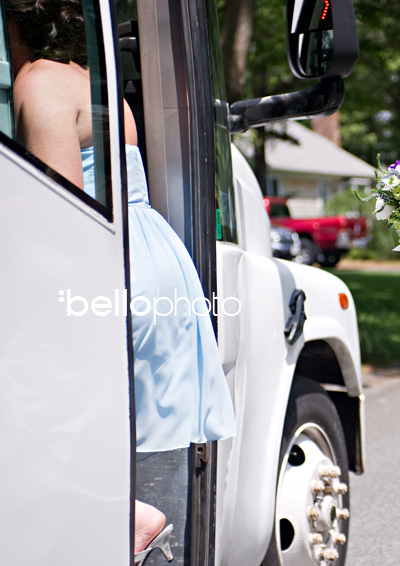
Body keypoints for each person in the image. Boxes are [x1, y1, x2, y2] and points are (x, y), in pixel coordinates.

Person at [7, 1, 236, 563]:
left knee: (31, 389)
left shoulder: (37, 83)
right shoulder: (95, 81)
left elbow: (62, 215)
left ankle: (126, 517)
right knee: (126, 419)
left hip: (103, 264)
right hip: (151, 256)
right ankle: (137, 516)